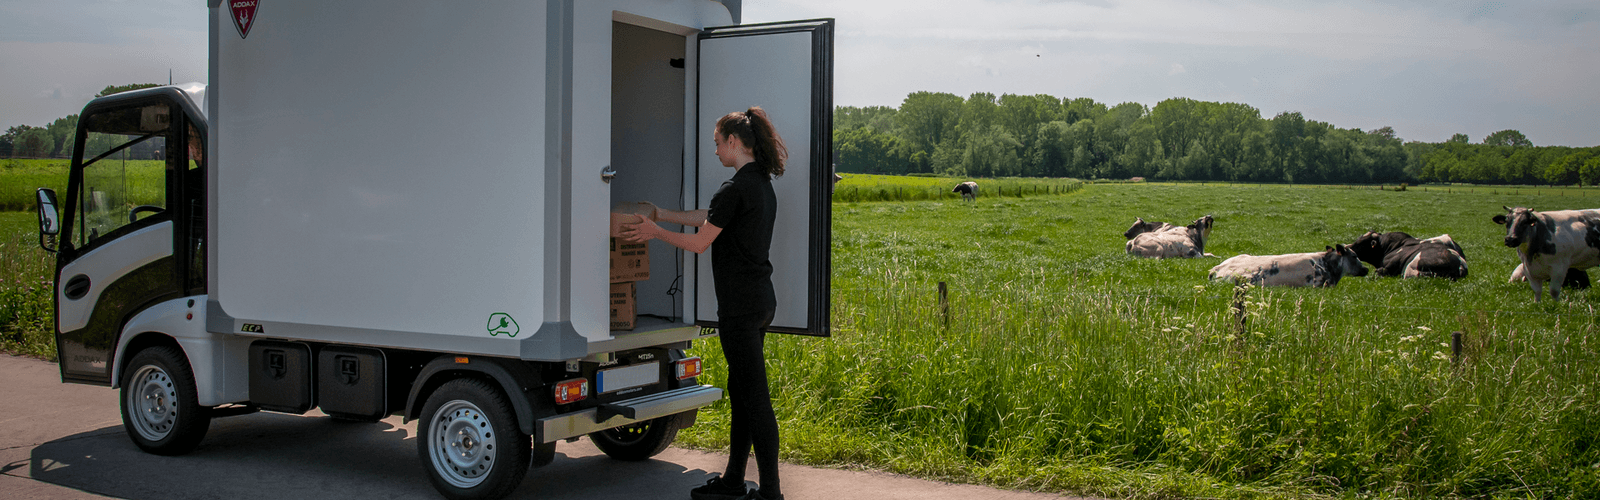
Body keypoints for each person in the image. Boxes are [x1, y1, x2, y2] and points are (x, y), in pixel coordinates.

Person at [621, 107, 788, 500]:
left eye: (716, 143)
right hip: (761, 303)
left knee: (756, 400)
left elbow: (700, 242)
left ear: (733, 142)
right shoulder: (759, 184)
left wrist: (655, 231)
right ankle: (732, 482)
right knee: (743, 392)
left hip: (741, 311)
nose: (714, 151)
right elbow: (709, 219)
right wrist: (663, 214)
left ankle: (771, 493)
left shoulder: (735, 188)